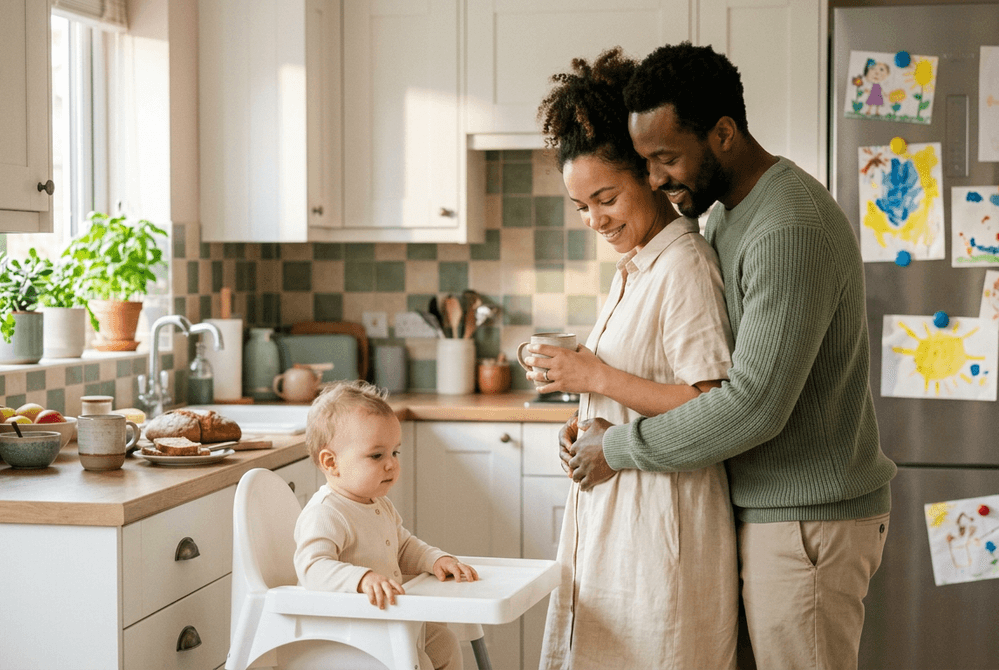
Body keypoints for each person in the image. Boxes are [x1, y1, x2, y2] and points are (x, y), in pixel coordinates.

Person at [544, 43, 898, 670]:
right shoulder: (726, 217)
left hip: (807, 521)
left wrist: (615, 448)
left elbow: (751, 406)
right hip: (772, 511)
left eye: (665, 158)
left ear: (724, 133)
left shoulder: (787, 226)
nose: (655, 178)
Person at [526, 47, 738, 669]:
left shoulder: (685, 267)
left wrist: (594, 374)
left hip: (664, 526)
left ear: (647, 176)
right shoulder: (634, 268)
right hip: (620, 516)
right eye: (582, 206)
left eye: (606, 197)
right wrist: (585, 416)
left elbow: (713, 403)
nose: (594, 218)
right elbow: (634, 387)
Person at [293, 380, 479, 670]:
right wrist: (362, 579)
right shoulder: (326, 512)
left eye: (395, 452)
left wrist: (434, 559)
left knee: (445, 643)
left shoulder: (377, 503)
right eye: (376, 455)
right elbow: (312, 568)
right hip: (350, 630)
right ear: (331, 462)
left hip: (386, 617)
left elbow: (403, 546)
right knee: (417, 662)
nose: (391, 464)